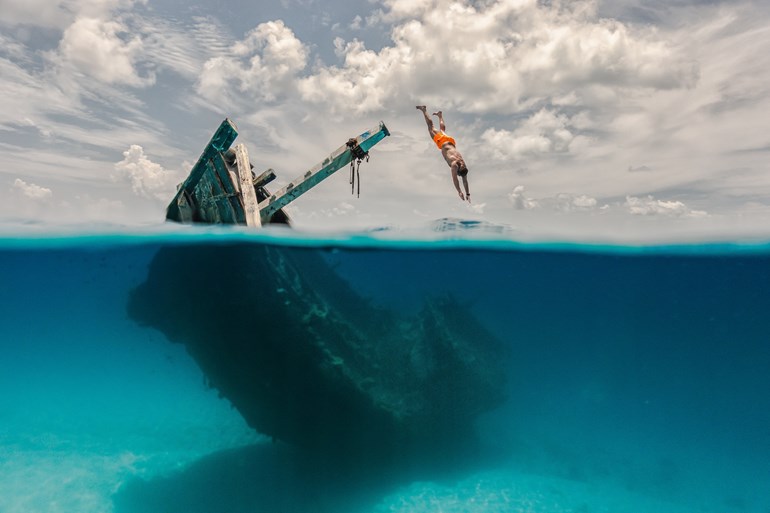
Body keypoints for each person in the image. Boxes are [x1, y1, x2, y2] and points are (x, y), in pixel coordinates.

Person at [416, 105, 470, 202]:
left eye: (462, 166)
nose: (462, 164)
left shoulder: (464, 168)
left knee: (442, 131)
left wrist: (467, 194)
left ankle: (440, 115)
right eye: (462, 165)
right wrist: (459, 191)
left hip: (451, 142)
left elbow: (465, 181)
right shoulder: (454, 165)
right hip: (443, 142)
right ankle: (424, 110)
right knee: (430, 127)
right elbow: (455, 180)